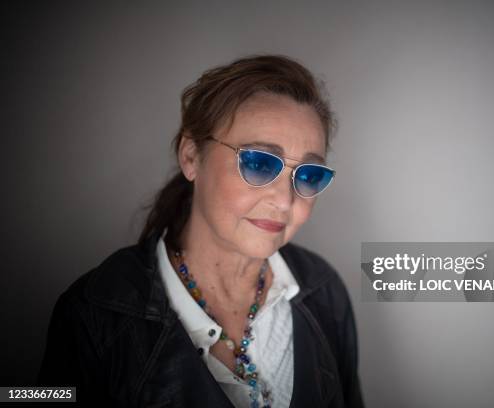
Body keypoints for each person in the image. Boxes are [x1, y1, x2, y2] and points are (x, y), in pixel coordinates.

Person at [38, 55, 364, 408]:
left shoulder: (323, 291)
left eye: (308, 174)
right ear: (192, 157)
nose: (285, 200)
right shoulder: (94, 313)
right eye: (258, 163)